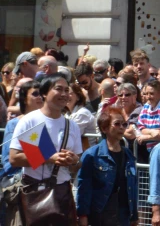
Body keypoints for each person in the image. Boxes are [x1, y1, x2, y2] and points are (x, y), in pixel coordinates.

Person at [9, 73, 82, 225]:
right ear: (44, 93)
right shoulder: (30, 121)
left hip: (62, 193)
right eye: (58, 89)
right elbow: (14, 158)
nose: (64, 94)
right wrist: (49, 157)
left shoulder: (72, 125)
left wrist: (74, 161)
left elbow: (77, 164)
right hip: (35, 193)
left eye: (66, 90)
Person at [76, 107, 138, 226]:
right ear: (104, 128)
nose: (121, 127)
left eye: (124, 124)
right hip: (100, 213)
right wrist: (83, 214)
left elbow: (132, 186)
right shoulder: (91, 155)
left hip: (123, 213)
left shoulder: (128, 154)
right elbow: (84, 187)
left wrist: (134, 215)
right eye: (117, 124)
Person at [1, 80, 42, 181]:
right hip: (21, 180)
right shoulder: (14, 124)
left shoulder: (50, 122)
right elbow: (8, 162)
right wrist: (45, 158)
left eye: (42, 93)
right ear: (24, 99)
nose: (40, 97)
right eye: (35, 94)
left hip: (47, 179)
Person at [137, 79, 160, 154]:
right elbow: (140, 127)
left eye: (152, 94)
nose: (148, 97)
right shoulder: (146, 106)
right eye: (146, 94)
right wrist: (152, 131)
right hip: (151, 150)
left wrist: (147, 137)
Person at [67, 81, 99, 149]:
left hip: (87, 153)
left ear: (78, 97)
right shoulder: (67, 114)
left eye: (70, 93)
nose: (66, 96)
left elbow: (71, 136)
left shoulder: (82, 113)